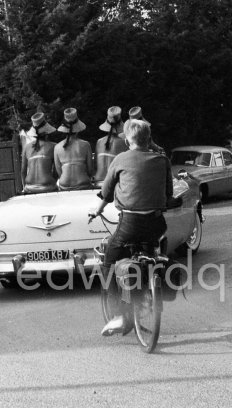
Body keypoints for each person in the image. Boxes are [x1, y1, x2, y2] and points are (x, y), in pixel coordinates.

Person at [90, 119, 173, 335]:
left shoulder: (120, 159)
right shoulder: (162, 160)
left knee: (109, 259)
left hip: (130, 224)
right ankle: (150, 289)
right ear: (148, 139)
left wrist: (98, 210)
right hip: (156, 224)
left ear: (128, 140)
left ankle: (120, 316)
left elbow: (107, 194)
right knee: (153, 252)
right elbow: (169, 195)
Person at [54, 108, 93, 190]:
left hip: (64, 185)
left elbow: (59, 172)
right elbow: (90, 171)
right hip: (83, 183)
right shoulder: (85, 145)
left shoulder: (57, 147)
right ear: (78, 129)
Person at [21, 112, 57, 194]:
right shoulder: (53, 146)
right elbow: (56, 172)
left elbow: (23, 171)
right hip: (47, 187)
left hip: (29, 187)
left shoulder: (26, 147)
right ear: (47, 132)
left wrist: (24, 188)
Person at [93, 106, 129, 188]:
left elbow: (95, 165)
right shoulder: (124, 143)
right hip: (113, 183)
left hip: (98, 182)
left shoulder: (99, 142)